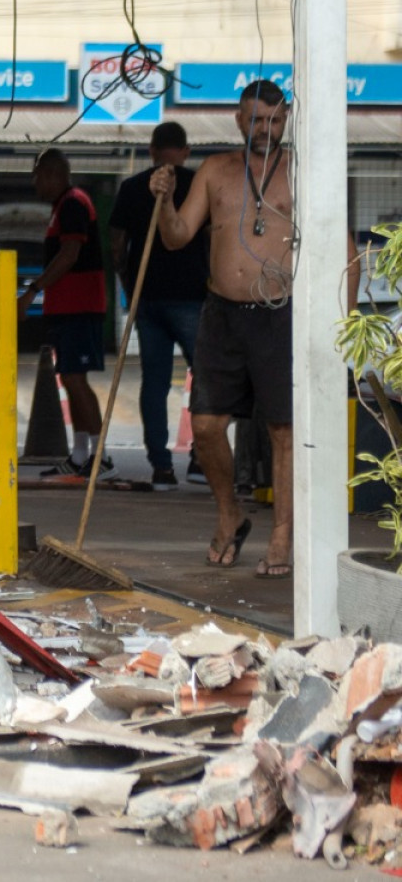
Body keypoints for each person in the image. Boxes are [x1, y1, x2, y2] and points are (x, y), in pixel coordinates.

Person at [149, 79, 295, 576]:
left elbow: (337, 244)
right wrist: (165, 201)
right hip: (221, 313)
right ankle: (229, 513)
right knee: (208, 427)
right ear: (238, 118)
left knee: (283, 430)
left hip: (279, 312)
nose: (265, 130)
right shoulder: (215, 170)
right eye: (256, 120)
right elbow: (176, 237)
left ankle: (280, 535)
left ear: (287, 119)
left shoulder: (300, 172)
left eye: (275, 121)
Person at [108, 122, 209, 489]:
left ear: (151, 150)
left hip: (148, 299)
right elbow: (214, 239)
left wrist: (128, 288)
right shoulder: (200, 185)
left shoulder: (133, 187)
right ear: (184, 150)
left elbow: (117, 245)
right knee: (206, 379)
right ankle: (200, 460)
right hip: (193, 297)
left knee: (154, 383)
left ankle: (161, 468)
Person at [20, 148, 109, 478]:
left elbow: (70, 255)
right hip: (67, 307)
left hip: (80, 306)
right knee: (70, 379)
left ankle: (100, 458)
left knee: (75, 379)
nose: (35, 184)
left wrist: (32, 290)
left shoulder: (73, 203)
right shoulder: (62, 206)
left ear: (53, 174)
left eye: (38, 176)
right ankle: (80, 454)